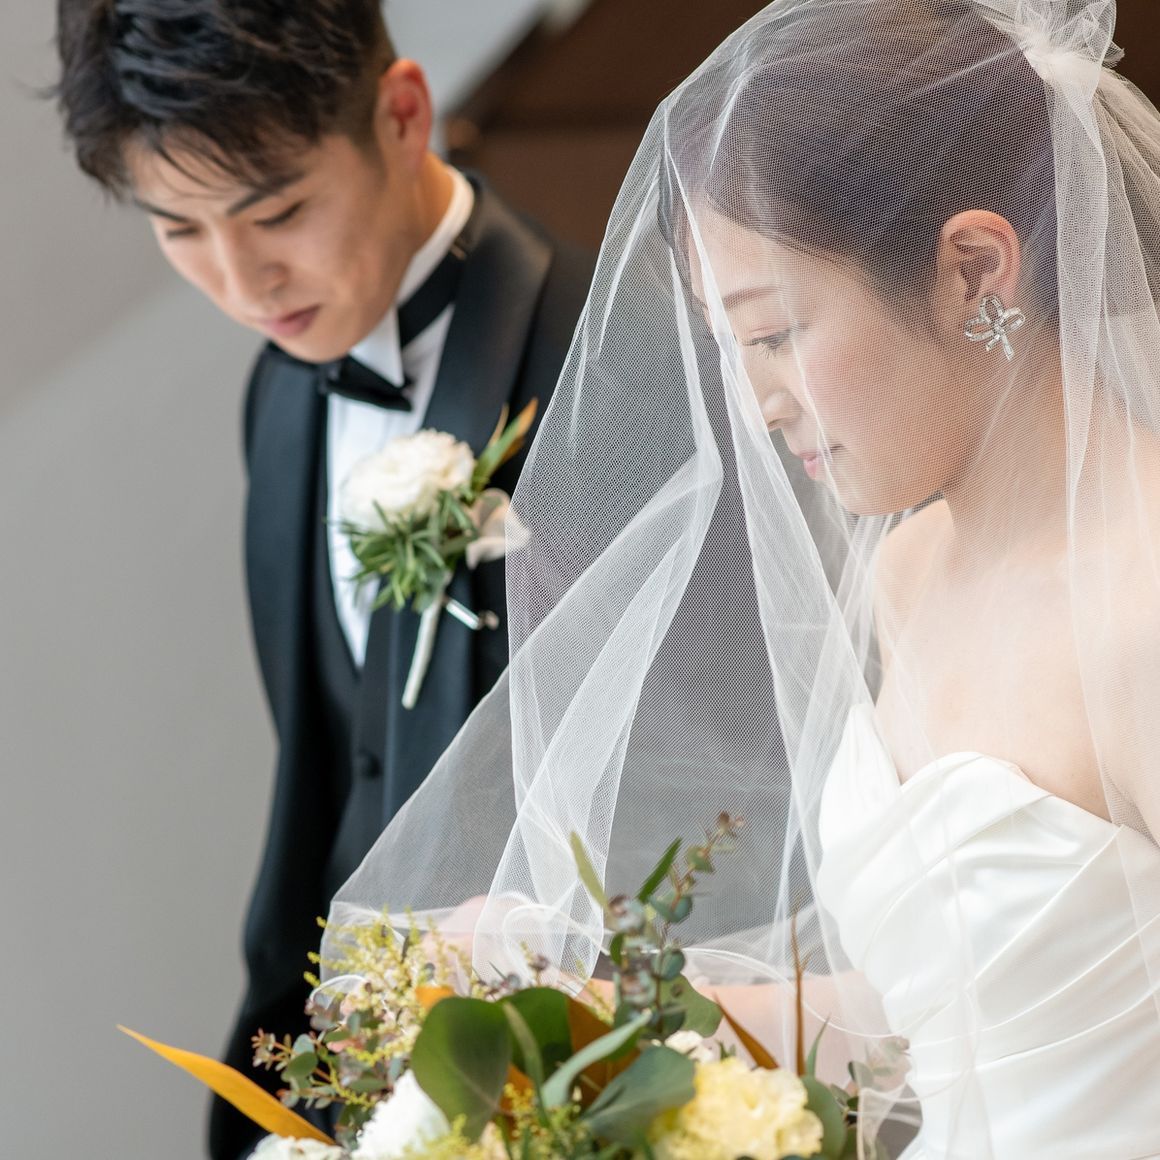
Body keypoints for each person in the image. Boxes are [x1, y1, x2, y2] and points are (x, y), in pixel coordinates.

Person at [326, 0, 1160, 1155]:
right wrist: (583, 1009)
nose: (758, 405)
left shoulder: (1138, 612)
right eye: (729, 349)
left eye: (772, 335)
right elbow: (938, 1015)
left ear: (971, 267)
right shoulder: (907, 569)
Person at [52, 2, 593, 1156]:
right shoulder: (282, 393)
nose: (241, 279)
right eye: (178, 229)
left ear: (402, 114)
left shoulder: (599, 368)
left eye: (277, 211)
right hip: (327, 1088)